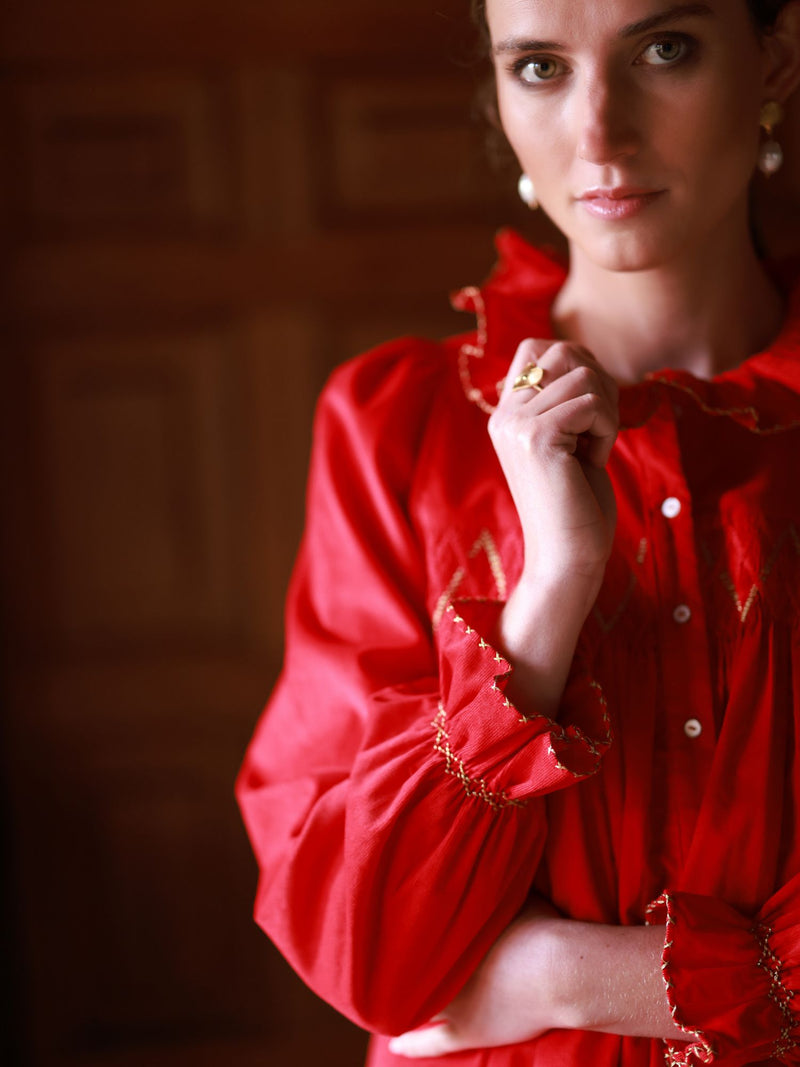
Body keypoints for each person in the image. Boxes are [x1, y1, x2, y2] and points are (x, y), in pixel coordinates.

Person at [236, 1, 800, 1064]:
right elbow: (370, 954)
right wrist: (546, 601)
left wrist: (553, 975)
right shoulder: (394, 425)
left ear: (771, 57)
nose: (597, 134)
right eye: (539, 66)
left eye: (662, 49)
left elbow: (427, 1004)